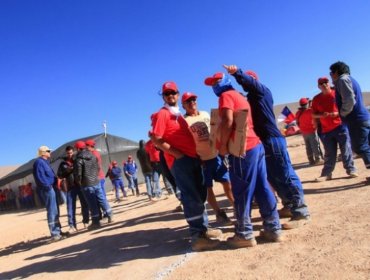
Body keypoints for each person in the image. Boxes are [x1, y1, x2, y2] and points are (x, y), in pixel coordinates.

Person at [223, 64, 310, 229]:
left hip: (272, 140)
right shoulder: (251, 98)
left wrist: (237, 73)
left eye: (248, 81)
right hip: (262, 142)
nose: (244, 84)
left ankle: (301, 211)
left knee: (285, 174)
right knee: (273, 177)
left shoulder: (262, 91)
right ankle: (290, 206)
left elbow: (249, 82)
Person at [204, 72, 282, 247]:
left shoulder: (226, 96)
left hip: (242, 149)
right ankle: (273, 228)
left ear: (225, 81)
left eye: (217, 81)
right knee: (262, 187)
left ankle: (244, 233)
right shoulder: (239, 95)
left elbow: (227, 121)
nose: (215, 86)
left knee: (241, 191)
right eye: (212, 84)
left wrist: (222, 145)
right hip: (255, 145)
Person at [150, 81, 221, 251]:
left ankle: (203, 229)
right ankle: (198, 236)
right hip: (180, 162)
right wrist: (177, 154)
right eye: (167, 94)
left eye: (173, 92)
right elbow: (156, 138)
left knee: (200, 194)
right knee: (191, 197)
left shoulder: (177, 114)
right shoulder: (163, 114)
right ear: (163, 97)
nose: (170, 96)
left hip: (192, 159)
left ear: (178, 94)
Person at [181, 91, 234, 225]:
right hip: (202, 160)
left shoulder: (205, 114)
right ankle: (218, 212)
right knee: (208, 188)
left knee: (227, 183)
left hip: (216, 156)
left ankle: (236, 206)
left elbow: (215, 131)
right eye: (188, 101)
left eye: (194, 99)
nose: (192, 102)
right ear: (183, 105)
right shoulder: (184, 121)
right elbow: (186, 142)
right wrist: (196, 158)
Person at [311, 77, 358, 181]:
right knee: (329, 152)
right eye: (321, 83)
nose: (324, 84)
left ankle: (351, 170)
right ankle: (326, 174)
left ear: (329, 83)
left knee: (346, 149)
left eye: (325, 82)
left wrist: (336, 113)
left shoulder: (337, 93)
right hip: (326, 130)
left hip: (340, 126)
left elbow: (346, 106)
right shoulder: (316, 99)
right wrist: (321, 116)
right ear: (318, 86)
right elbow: (313, 114)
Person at [329, 61, 370, 180]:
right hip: (363, 118)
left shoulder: (342, 80)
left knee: (360, 147)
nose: (331, 76)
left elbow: (349, 100)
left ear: (336, 72)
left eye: (331, 73)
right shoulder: (351, 79)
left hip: (356, 119)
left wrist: (342, 113)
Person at [74, 141, 113, 230]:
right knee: (101, 198)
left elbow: (78, 174)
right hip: (96, 181)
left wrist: (80, 182)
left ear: (78, 149)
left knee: (92, 203)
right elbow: (98, 168)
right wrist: (95, 177)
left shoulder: (78, 159)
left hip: (87, 183)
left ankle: (95, 222)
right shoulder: (92, 156)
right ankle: (110, 214)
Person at [32, 145, 68, 242]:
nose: (50, 152)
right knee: (52, 210)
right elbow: (40, 177)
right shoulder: (39, 162)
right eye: (48, 151)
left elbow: (48, 175)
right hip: (47, 189)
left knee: (56, 210)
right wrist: (48, 186)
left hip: (52, 188)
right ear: (43, 153)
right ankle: (54, 234)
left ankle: (58, 231)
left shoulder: (45, 162)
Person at [57, 145, 89, 232]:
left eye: (71, 153)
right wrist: (68, 170)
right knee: (70, 207)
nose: (70, 154)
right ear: (66, 153)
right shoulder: (63, 163)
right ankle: (72, 226)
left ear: (74, 152)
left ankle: (86, 221)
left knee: (84, 204)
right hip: (70, 187)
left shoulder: (78, 160)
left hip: (80, 185)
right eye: (68, 153)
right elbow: (59, 174)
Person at [295, 97, 323, 165]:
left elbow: (297, 122)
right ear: (306, 104)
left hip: (304, 132)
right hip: (312, 131)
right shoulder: (310, 111)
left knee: (308, 146)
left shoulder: (298, 113)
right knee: (315, 145)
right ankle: (318, 159)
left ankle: (311, 160)